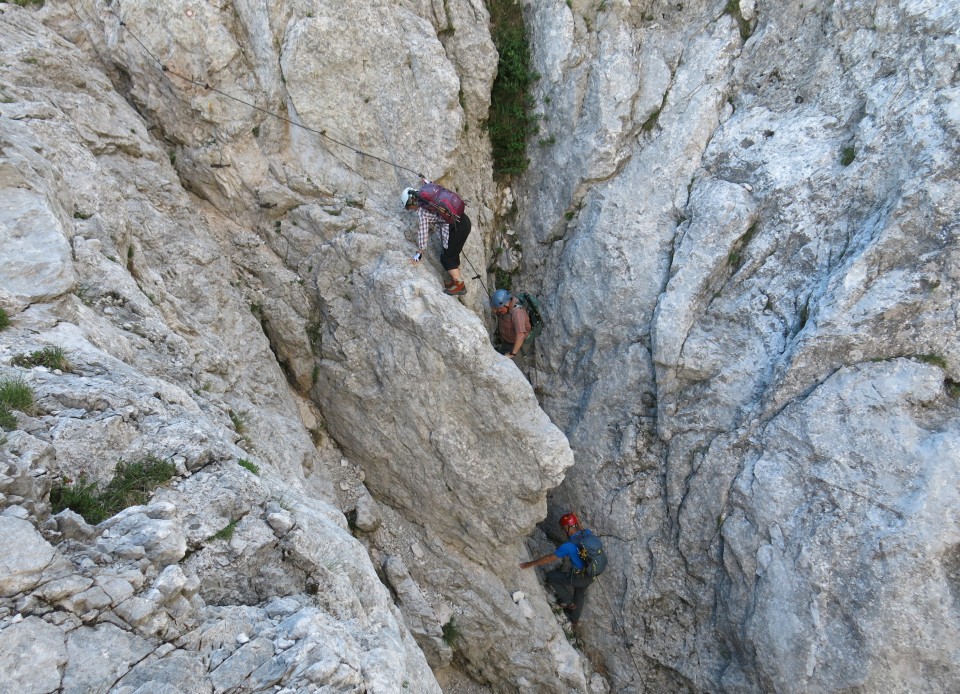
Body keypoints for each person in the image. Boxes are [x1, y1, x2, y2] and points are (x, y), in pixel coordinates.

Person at [519, 512, 596, 626]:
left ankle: (569, 601)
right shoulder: (587, 534)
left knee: (552, 576)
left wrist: (529, 564)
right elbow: (581, 529)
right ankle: (574, 620)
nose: (562, 531)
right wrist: (576, 520)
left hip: (579, 576)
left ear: (567, 528)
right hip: (592, 573)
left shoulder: (568, 547)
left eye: (563, 528)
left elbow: (549, 558)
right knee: (580, 593)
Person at [402, 183, 472, 296]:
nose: (411, 210)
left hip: (457, 228)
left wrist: (420, 252)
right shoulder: (428, 198)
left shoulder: (422, 211)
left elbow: (423, 231)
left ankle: (460, 285)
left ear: (411, 202)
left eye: (409, 207)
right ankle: (455, 280)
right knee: (452, 253)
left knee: (447, 257)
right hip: (463, 221)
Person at [490, 289, 531, 360]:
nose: (499, 311)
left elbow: (521, 335)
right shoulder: (505, 307)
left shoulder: (517, 312)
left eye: (500, 309)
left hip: (517, 344)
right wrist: (495, 310)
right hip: (507, 341)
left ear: (506, 304)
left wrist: (512, 354)